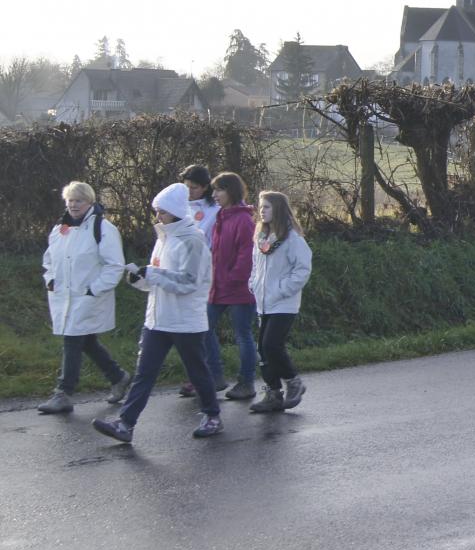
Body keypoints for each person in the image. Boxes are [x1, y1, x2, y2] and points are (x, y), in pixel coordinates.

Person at [92, 183, 220, 442]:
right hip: (157, 319)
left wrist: (154, 274)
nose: (157, 216)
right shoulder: (164, 238)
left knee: (197, 371)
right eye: (157, 211)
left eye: (161, 211)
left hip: (186, 321)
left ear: (174, 211)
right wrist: (140, 279)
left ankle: (212, 415)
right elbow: (157, 275)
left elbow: (189, 282)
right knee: (144, 373)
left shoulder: (192, 241)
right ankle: (125, 424)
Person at [37, 181, 131, 414]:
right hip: (65, 296)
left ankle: (63, 392)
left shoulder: (103, 228)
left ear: (89, 202)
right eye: (70, 200)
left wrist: (94, 289)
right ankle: (118, 376)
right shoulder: (60, 229)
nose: (73, 204)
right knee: (85, 340)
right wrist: (50, 280)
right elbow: (48, 260)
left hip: (88, 297)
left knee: (72, 339)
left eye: (79, 200)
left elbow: (114, 265)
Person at [191, 171, 258, 402]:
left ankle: (246, 382)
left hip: (238, 288)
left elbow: (246, 254)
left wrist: (232, 278)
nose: (215, 194)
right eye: (214, 190)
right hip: (217, 285)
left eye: (219, 189)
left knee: (243, 335)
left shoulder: (243, 219)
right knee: (203, 328)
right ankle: (215, 375)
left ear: (231, 191)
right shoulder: (222, 215)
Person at [246, 191, 313, 412]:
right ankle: (273, 393)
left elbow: (302, 269)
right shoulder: (262, 237)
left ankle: (293, 382)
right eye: (261, 207)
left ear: (279, 209)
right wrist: (253, 283)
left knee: (271, 344)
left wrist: (282, 290)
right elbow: (256, 265)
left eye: (266, 207)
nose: (261, 210)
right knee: (262, 350)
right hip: (263, 301)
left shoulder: (292, 238)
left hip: (283, 303)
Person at [181, 164, 219, 246]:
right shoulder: (178, 206)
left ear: (205, 187)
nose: (189, 191)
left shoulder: (216, 209)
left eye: (194, 187)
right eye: (186, 187)